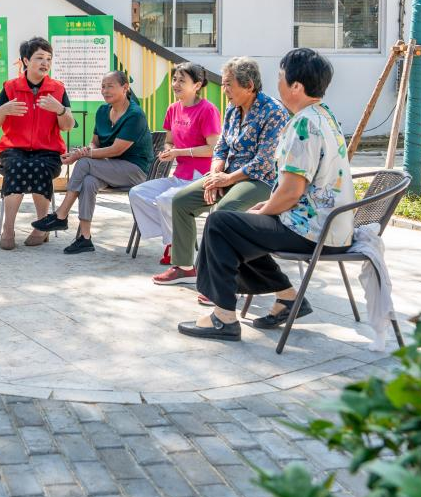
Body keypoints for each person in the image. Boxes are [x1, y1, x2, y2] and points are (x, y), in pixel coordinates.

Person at [179, 48, 355, 342]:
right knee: (240, 225)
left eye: (282, 77)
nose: (278, 83)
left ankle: (223, 317)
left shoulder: (303, 124)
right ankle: (287, 296)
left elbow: (291, 192)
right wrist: (267, 207)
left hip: (313, 230)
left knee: (221, 223)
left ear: (296, 86)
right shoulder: (323, 115)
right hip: (329, 225)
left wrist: (266, 209)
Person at [153, 57, 290, 289]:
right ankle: (185, 267)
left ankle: (220, 280)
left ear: (249, 86)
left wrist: (227, 179)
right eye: (224, 84)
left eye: (228, 85)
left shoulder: (274, 112)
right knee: (181, 201)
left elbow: (264, 161)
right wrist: (216, 174)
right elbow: (221, 146)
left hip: (261, 180)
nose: (224, 89)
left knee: (223, 213)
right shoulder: (232, 108)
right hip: (227, 174)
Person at [34, 70, 152, 255]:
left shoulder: (135, 115)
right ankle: (85, 238)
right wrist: (84, 151)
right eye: (103, 87)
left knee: (84, 163)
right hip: (109, 168)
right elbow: (94, 143)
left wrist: (81, 156)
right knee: (88, 181)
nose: (105, 91)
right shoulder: (103, 111)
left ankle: (61, 215)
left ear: (125, 88)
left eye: (110, 86)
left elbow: (116, 150)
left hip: (135, 171)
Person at [0, 37, 75, 250]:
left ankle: (41, 227)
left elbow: (68, 126)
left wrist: (60, 110)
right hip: (13, 148)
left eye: (49, 59)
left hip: (48, 150)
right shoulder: (10, 87)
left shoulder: (58, 89)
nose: (45, 63)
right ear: (26, 61)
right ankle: (8, 228)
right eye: (39, 58)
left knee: (40, 167)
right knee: (17, 166)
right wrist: (3, 110)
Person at [128, 63, 221, 257]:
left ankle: (174, 246)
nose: (175, 84)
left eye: (182, 81)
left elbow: (212, 149)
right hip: (179, 176)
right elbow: (169, 141)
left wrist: (179, 152)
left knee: (166, 200)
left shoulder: (208, 110)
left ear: (197, 85)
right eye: (174, 79)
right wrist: (168, 150)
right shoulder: (172, 109)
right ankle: (175, 237)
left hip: (201, 178)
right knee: (137, 193)